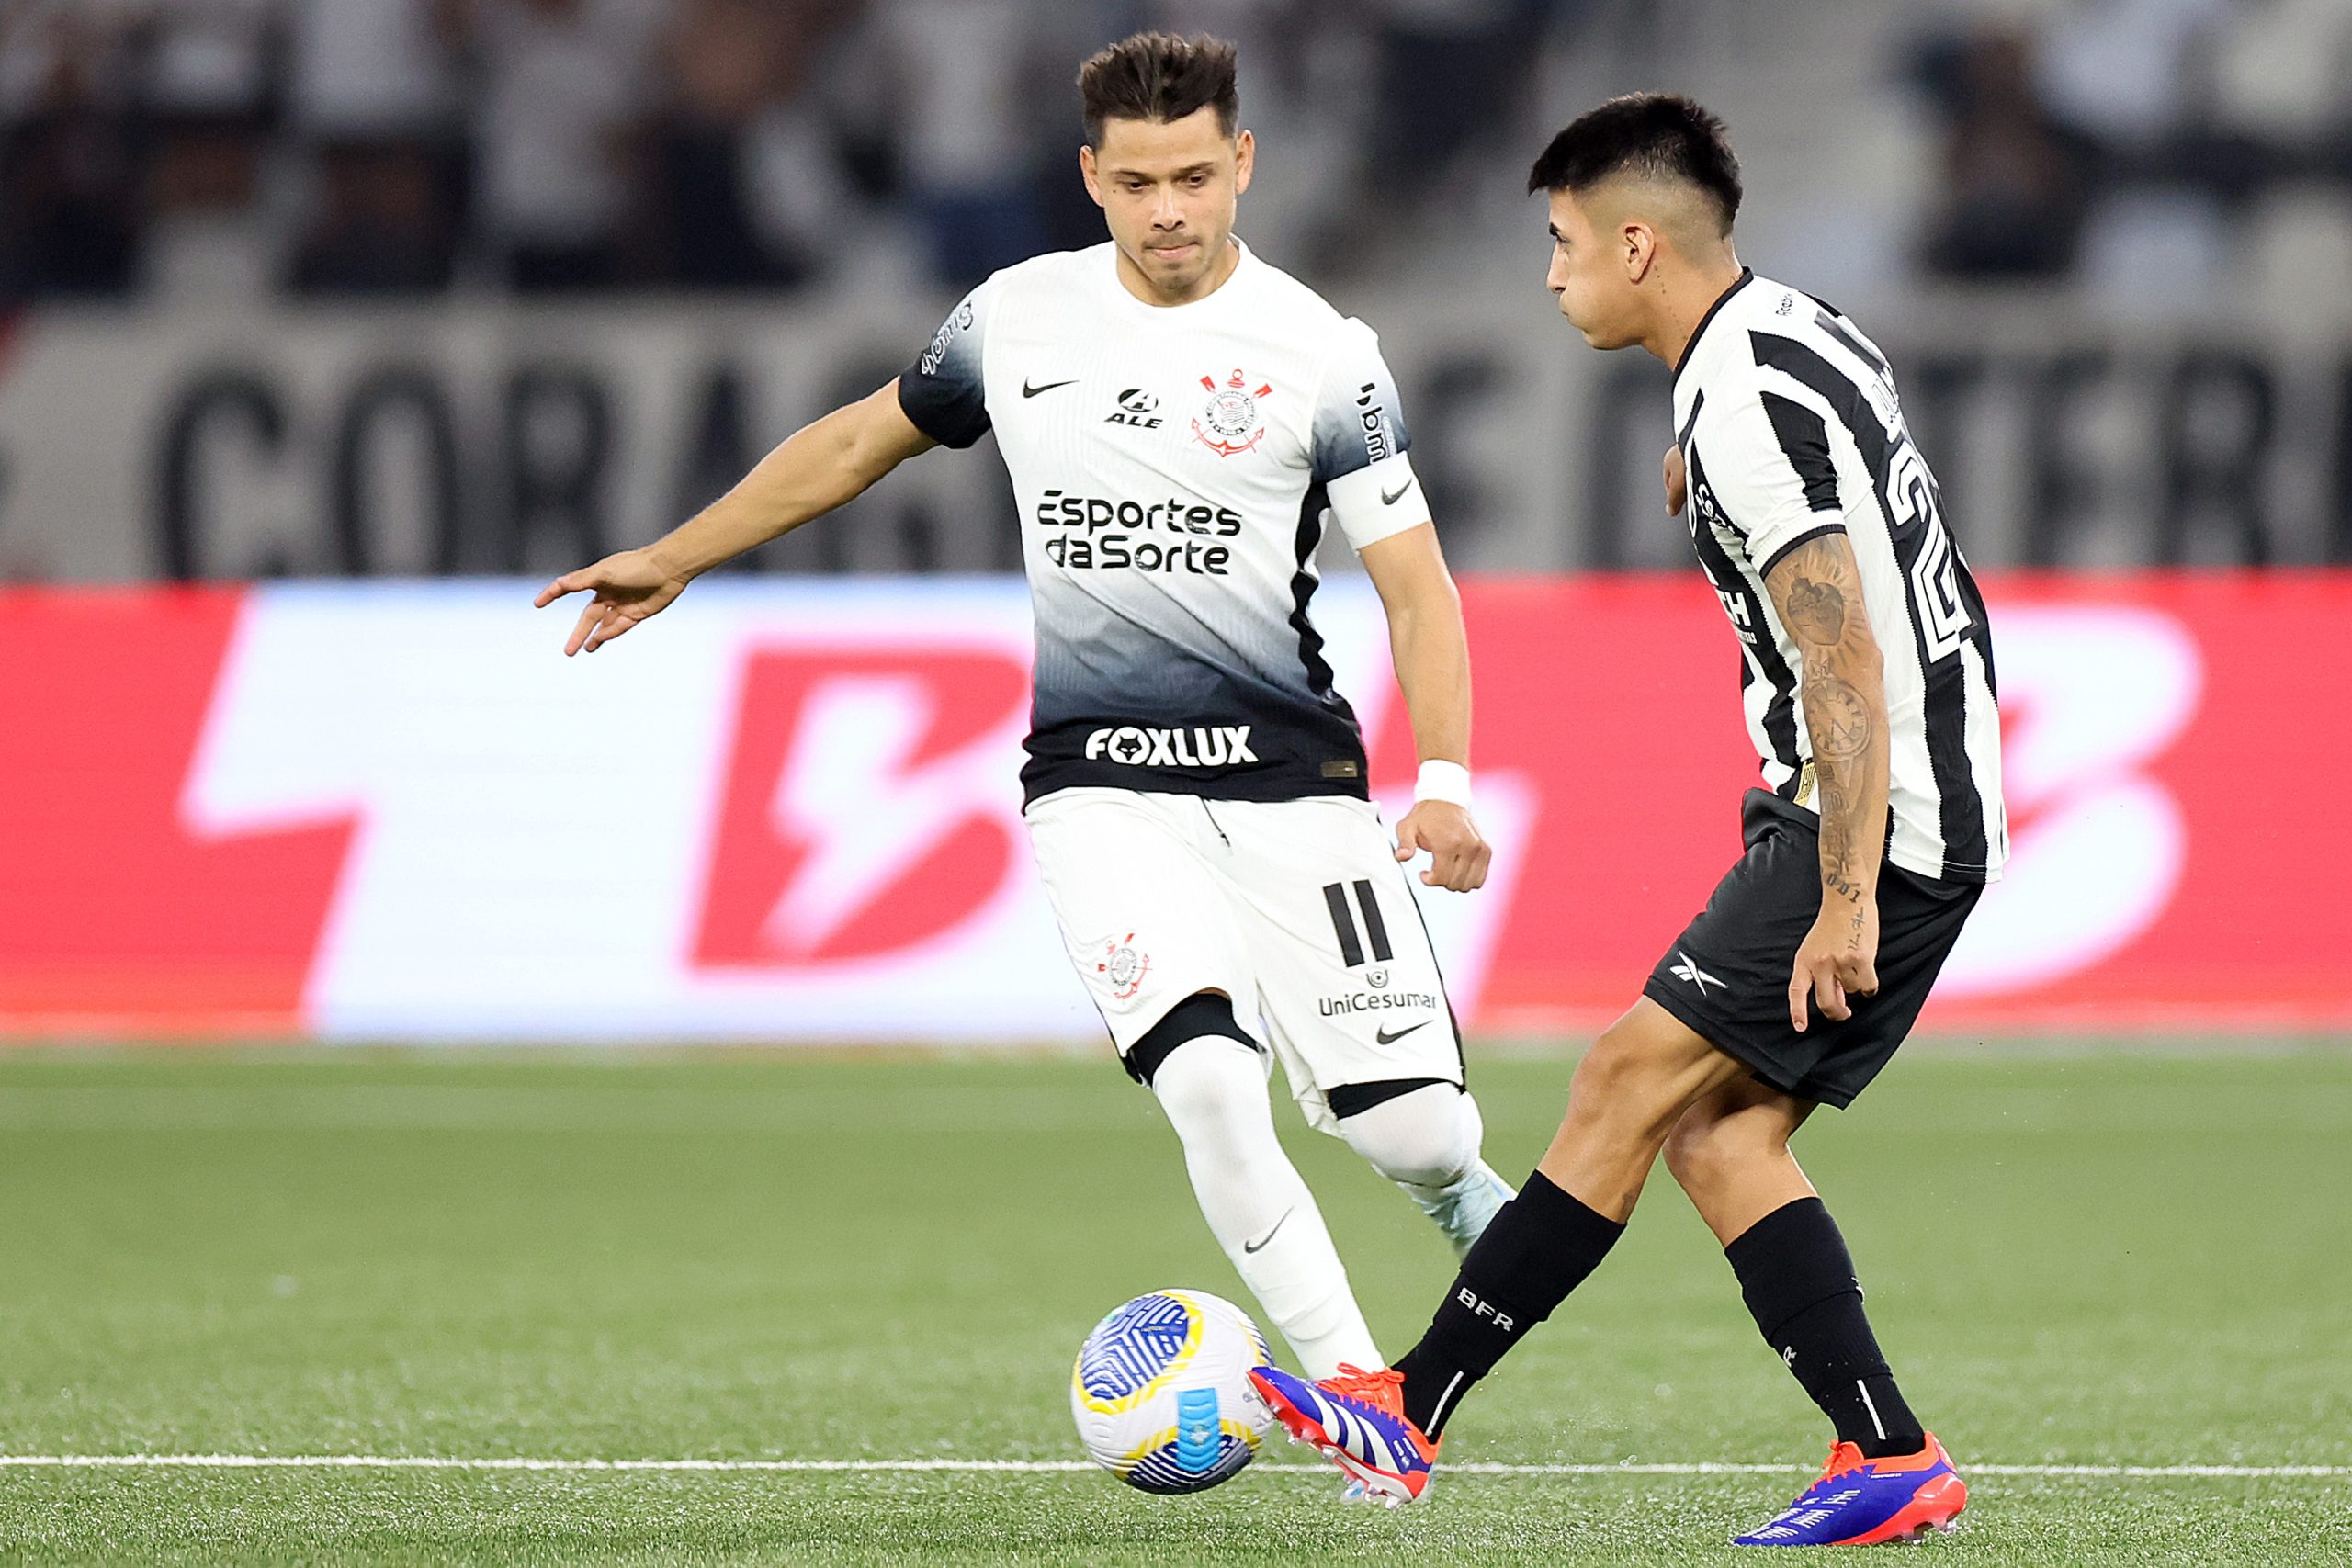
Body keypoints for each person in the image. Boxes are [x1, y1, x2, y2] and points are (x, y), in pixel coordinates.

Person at [536, 31, 1514, 1382]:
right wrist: (678, 552)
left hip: (1296, 790)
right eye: (1136, 182)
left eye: (1192, 175)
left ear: (1242, 163)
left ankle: (1460, 1195)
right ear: (1090, 178)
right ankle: (1366, 1398)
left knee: (1413, 1136)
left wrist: (1448, 783)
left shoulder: (1322, 354)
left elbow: (1418, 589)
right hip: (1098, 791)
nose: (1168, 209)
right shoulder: (1017, 316)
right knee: (1213, 1089)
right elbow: (853, 441)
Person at [1250, 94, 2004, 1548]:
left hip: (1876, 813)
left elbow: (1844, 663)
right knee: (1719, 1139)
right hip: (1917, 798)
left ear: (1639, 244)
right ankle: (1889, 1454)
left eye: (1563, 242)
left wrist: (1847, 893)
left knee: (1616, 1084)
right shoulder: (1791, 328)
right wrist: (1710, 483)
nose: (1551, 273)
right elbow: (1849, 462)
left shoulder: (1739, 411)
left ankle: (1408, 1406)